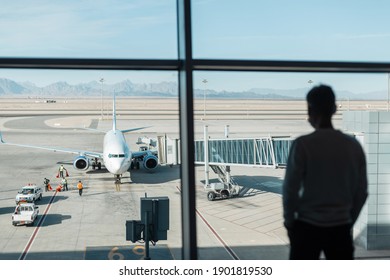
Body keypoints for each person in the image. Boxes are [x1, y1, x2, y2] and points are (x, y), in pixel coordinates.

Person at [282, 84, 368, 260]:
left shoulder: (302, 145)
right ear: (335, 109)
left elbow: (290, 191)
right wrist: (348, 220)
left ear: (310, 110)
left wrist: (290, 224)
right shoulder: (353, 146)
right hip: (340, 228)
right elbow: (361, 192)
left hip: (307, 227)